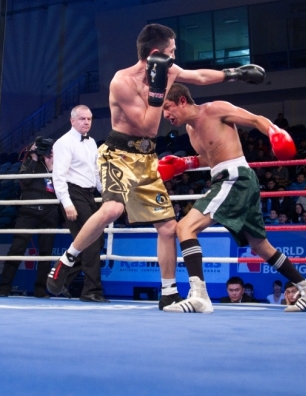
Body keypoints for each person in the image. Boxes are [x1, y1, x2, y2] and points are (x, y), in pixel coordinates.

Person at [47, 23, 265, 310]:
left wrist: (234, 74)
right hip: (118, 153)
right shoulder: (121, 82)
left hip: (146, 160)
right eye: (171, 51)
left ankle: (169, 293)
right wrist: (159, 86)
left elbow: (198, 76)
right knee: (113, 209)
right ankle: (68, 259)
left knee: (167, 227)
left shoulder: (169, 70)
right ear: (155, 54)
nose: (174, 57)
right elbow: (150, 126)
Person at [158, 83, 306, 313]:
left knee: (185, 227)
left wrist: (274, 132)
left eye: (167, 107)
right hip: (229, 180)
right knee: (260, 246)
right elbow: (209, 157)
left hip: (235, 177)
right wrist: (185, 163)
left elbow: (256, 120)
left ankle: (199, 296)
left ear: (182, 101)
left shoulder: (215, 110)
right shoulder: (191, 131)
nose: (165, 115)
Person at [52, 106, 109, 303]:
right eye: (83, 119)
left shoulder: (92, 142)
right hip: (72, 193)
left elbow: (95, 171)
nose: (86, 122)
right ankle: (91, 291)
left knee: (96, 241)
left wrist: (105, 193)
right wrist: (66, 203)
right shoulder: (63, 143)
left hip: (89, 194)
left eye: (89, 119)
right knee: (91, 242)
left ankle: (61, 278)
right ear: (72, 121)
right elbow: (58, 176)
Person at [0, 137, 59, 298]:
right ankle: (4, 288)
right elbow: (26, 181)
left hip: (49, 212)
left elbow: (62, 188)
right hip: (28, 211)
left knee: (46, 253)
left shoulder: (57, 166)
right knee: (16, 249)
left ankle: (40, 290)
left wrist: (52, 167)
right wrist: (33, 158)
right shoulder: (29, 163)